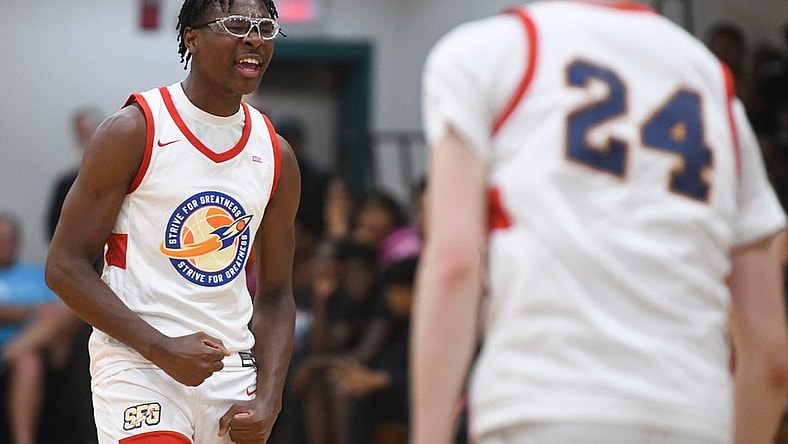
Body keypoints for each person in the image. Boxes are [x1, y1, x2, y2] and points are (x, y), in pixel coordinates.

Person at [411, 2, 788, 444]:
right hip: (693, 411)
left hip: (547, 402)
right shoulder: (715, 88)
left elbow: (455, 262)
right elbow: (770, 355)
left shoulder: (489, 51)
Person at [45, 1, 301, 443]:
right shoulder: (133, 130)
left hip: (229, 373)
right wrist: (158, 347)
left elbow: (277, 295)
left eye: (265, 27)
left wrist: (270, 397)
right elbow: (65, 266)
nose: (255, 38)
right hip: (138, 363)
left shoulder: (276, 154)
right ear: (192, 37)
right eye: (236, 24)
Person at [0, 212, 80, 444]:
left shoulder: (37, 275)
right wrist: (32, 311)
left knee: (66, 313)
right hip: (21, 346)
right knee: (28, 359)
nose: (3, 244)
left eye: (8, 238)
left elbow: (63, 314)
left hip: (46, 349)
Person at [45, 106, 103, 241]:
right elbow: (54, 230)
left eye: (89, 132)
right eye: (81, 134)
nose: (86, 141)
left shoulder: (120, 178)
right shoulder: (65, 184)